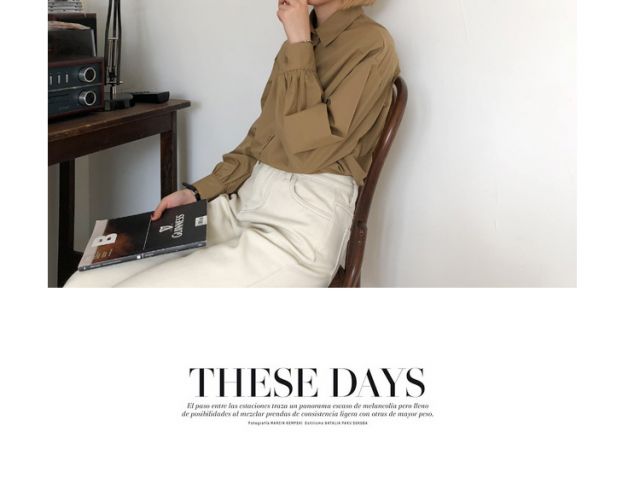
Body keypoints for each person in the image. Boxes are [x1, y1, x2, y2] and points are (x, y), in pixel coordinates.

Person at [64, 0, 400, 288]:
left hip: (300, 226)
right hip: (244, 203)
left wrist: (299, 42)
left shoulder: (371, 44)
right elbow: (260, 139)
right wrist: (198, 193)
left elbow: (308, 151)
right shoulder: (299, 42)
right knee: (84, 284)